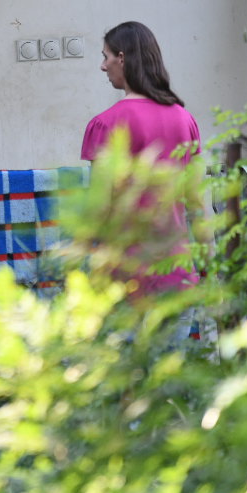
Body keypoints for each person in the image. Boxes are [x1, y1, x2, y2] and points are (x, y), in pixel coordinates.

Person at [80, 21, 201, 295]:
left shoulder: (105, 125)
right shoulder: (185, 120)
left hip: (126, 278)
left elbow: (99, 210)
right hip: (177, 273)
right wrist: (210, 268)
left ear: (121, 58)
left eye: (105, 56)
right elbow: (197, 203)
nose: (102, 66)